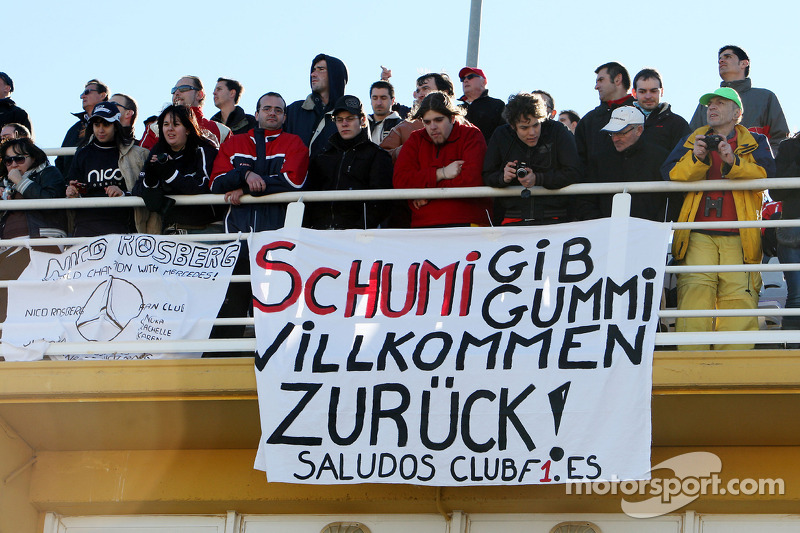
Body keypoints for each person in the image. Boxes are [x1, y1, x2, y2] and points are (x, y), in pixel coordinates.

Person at [663, 87, 775, 351]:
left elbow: (768, 178)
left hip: (741, 234)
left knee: (739, 298)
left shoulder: (755, 141)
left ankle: (734, 366)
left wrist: (732, 161)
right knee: (695, 294)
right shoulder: (692, 140)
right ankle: (690, 365)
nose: (712, 107)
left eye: (720, 103)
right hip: (698, 233)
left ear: (737, 113)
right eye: (710, 103)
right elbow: (670, 175)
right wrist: (696, 157)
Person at [210, 92, 308, 349]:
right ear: (256, 113)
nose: (272, 113)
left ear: (285, 116)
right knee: (231, 308)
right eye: (267, 108)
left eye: (278, 109)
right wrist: (245, 174)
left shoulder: (294, 142)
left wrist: (246, 188)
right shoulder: (235, 143)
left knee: (273, 312)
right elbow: (216, 183)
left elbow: (293, 182)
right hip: (237, 244)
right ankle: (222, 366)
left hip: (277, 246)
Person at [393, 91, 490, 228]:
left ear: (452, 118)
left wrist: (427, 192)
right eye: (427, 122)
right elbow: (400, 181)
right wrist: (441, 173)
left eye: (438, 120)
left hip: (469, 223)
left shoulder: (471, 135)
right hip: (423, 227)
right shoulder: (415, 139)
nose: (432, 127)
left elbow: (472, 181)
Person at [483, 92, 579, 225]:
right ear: (512, 126)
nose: (532, 133)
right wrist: (503, 177)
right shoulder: (501, 135)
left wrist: (538, 179)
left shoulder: (557, 130)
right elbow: (487, 175)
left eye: (536, 125)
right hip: (512, 218)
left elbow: (574, 172)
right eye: (524, 128)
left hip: (555, 218)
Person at [0, 137, 68, 321]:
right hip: (9, 248)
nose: (13, 164)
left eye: (19, 159)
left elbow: (51, 203)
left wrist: (21, 182)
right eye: (8, 161)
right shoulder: (5, 184)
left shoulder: (49, 172)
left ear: (33, 158)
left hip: (40, 245)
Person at [305, 95, 393, 229]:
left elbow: (381, 203)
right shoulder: (321, 156)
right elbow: (308, 197)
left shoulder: (378, 156)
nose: (344, 124)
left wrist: (359, 230)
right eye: (339, 119)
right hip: (319, 236)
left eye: (350, 119)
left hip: (358, 238)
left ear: (363, 120)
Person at [66, 102, 151, 236]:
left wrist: (122, 194)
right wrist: (73, 193)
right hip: (86, 226)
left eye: (106, 124)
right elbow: (74, 188)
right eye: (96, 124)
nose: (100, 130)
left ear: (116, 125)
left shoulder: (135, 153)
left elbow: (145, 190)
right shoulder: (82, 153)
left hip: (122, 226)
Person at [134, 105, 219, 234]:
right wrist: (152, 178)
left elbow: (202, 186)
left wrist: (169, 172)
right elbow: (138, 189)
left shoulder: (204, 149)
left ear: (188, 129)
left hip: (205, 229)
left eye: (176, 124)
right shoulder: (158, 151)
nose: (170, 129)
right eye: (166, 124)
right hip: (170, 230)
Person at [689, 45, 788, 153]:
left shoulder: (765, 98)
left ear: (744, 63)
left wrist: (768, 164)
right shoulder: (706, 104)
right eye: (720, 59)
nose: (721, 61)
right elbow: (689, 141)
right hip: (713, 168)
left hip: (755, 167)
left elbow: (780, 139)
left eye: (728, 57)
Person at [583, 106, 671, 221]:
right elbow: (586, 200)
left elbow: (670, 200)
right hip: (606, 231)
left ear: (639, 130)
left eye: (621, 133)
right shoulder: (599, 159)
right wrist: (600, 224)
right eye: (612, 133)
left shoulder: (660, 157)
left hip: (650, 231)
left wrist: (658, 227)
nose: (615, 139)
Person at [768, 133, 800, 346]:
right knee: (797, 294)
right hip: (792, 231)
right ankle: (792, 350)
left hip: (791, 229)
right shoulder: (790, 146)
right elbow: (775, 191)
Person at [140, 76, 231, 150]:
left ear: (199, 94)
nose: (177, 92)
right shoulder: (155, 128)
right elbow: (143, 162)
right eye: (174, 90)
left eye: (183, 89)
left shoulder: (222, 131)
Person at [380, 73, 455, 161]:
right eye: (418, 91)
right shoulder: (404, 127)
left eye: (425, 89)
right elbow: (381, 156)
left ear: (444, 92)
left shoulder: (462, 125)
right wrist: (406, 150)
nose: (420, 95)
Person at [285, 54, 349, 157]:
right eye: (313, 70)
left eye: (321, 69)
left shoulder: (350, 117)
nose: (313, 74)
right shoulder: (293, 111)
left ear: (335, 75)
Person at [575, 62, 635, 171]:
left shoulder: (642, 113)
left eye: (601, 80)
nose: (596, 87)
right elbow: (579, 162)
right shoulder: (588, 121)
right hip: (597, 186)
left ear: (617, 79)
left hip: (640, 185)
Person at [55, 79, 109, 177]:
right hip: (72, 187)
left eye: (87, 92)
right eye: (82, 94)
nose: (82, 96)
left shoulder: (113, 123)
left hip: (102, 184)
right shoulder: (73, 129)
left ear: (102, 95)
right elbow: (60, 161)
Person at [632, 68, 690, 154]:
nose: (648, 96)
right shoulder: (622, 120)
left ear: (661, 92)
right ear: (634, 93)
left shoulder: (677, 123)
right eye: (642, 92)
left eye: (653, 91)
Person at [457, 67, 505, 142]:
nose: (465, 80)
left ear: (484, 82)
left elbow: (503, 135)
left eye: (470, 77)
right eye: (462, 79)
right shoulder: (457, 110)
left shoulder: (497, 105)